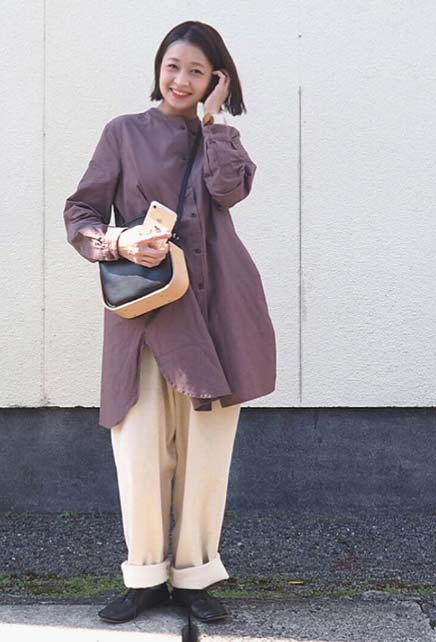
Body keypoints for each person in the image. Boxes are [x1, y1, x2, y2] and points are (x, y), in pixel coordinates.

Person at [63, 20, 276, 625]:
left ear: (216, 81)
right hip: (146, 311)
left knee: (207, 455)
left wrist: (212, 122)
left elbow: (227, 191)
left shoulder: (221, 138)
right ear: (158, 68)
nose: (181, 80)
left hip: (216, 311)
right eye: (173, 66)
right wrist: (121, 241)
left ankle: (195, 576)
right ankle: (145, 577)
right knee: (139, 449)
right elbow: (80, 212)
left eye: (197, 72)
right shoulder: (123, 133)